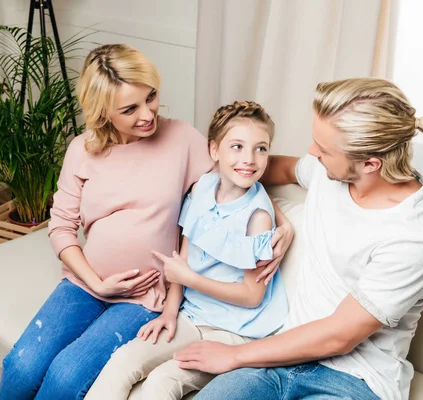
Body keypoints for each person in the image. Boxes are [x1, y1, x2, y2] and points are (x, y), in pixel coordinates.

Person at [0, 44, 294, 400]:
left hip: (143, 297)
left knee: (66, 375)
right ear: (102, 112)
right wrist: (97, 282)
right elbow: (60, 228)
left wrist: (282, 219)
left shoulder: (181, 139)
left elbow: (242, 167)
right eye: (130, 109)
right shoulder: (82, 149)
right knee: (21, 365)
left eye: (151, 97)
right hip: (84, 283)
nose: (148, 114)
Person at [173, 78, 423, 400]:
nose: (311, 152)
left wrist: (233, 356)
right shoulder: (328, 170)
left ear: (370, 164)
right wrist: (276, 215)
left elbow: (339, 336)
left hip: (352, 380)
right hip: (273, 358)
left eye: (323, 149)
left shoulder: (416, 238)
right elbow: (257, 169)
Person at [86, 101, 290, 400]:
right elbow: (183, 258)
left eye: (261, 148)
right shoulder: (202, 188)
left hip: (235, 329)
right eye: (237, 146)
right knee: (122, 362)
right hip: (193, 314)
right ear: (213, 151)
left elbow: (252, 295)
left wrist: (190, 279)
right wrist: (169, 312)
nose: (249, 159)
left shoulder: (258, 218)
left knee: (161, 382)